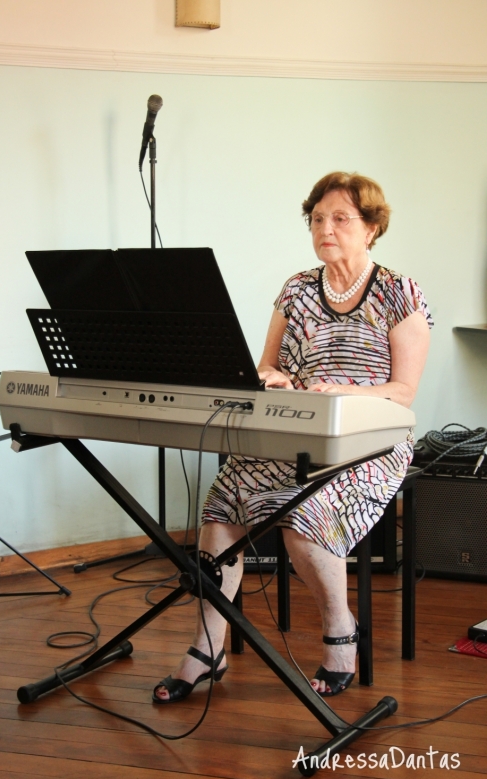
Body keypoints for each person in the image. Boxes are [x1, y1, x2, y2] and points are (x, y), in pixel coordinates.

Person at [153, 171, 432, 702]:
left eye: (341, 218)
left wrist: (342, 392)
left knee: (305, 512)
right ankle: (207, 647)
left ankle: (340, 630)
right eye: (317, 218)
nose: (326, 227)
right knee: (222, 503)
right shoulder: (296, 288)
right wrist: (273, 378)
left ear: (371, 228)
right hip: (298, 431)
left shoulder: (400, 291)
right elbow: (265, 366)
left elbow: (404, 392)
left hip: (371, 439)